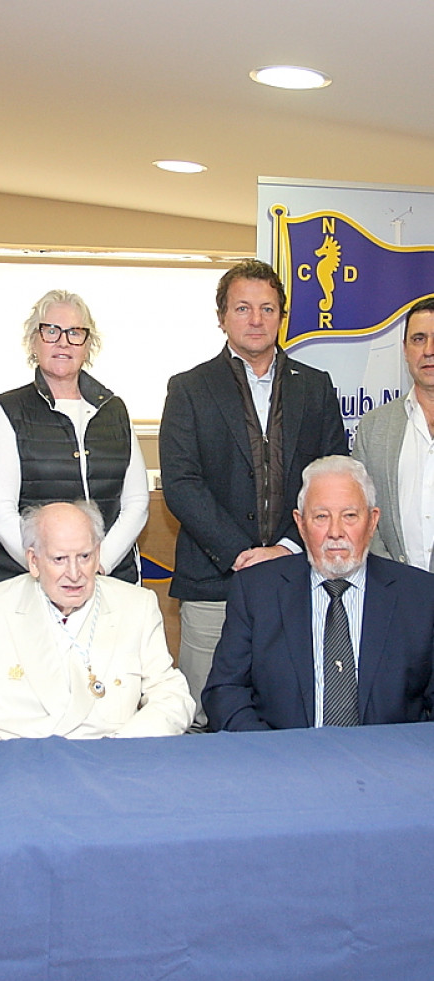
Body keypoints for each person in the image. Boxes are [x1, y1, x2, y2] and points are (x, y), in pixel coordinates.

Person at [159, 258, 347, 729]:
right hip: (214, 577)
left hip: (298, 574)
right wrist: (243, 553)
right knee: (205, 713)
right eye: (242, 308)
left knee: (287, 708)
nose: (256, 319)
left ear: (282, 316)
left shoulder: (316, 387)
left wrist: (285, 548)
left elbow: (332, 475)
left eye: (267, 308)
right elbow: (182, 484)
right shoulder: (189, 388)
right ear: (221, 316)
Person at [0, 501, 194, 742]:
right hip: (13, 768)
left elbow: (173, 697)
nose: (74, 573)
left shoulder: (136, 606)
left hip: (107, 767)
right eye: (59, 559)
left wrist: (123, 750)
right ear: (33, 561)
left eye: (84, 557)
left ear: (98, 554)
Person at [202, 456, 434, 731]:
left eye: (349, 516)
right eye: (321, 517)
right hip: (282, 762)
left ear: (372, 522)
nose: (335, 532)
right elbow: (224, 692)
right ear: (300, 524)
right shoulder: (255, 591)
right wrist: (272, 753)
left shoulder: (421, 596)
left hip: (388, 764)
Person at [0, 289, 148, 588]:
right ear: (33, 341)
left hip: (107, 578)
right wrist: (50, 571)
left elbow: (136, 502)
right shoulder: (8, 410)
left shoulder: (114, 409)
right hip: (24, 579)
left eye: (74, 333)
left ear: (88, 344)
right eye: (51, 331)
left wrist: (95, 566)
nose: (63, 342)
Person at [352, 296, 434, 570]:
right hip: (397, 593)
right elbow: (360, 511)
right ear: (405, 349)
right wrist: (396, 579)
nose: (429, 350)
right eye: (418, 339)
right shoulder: (375, 426)